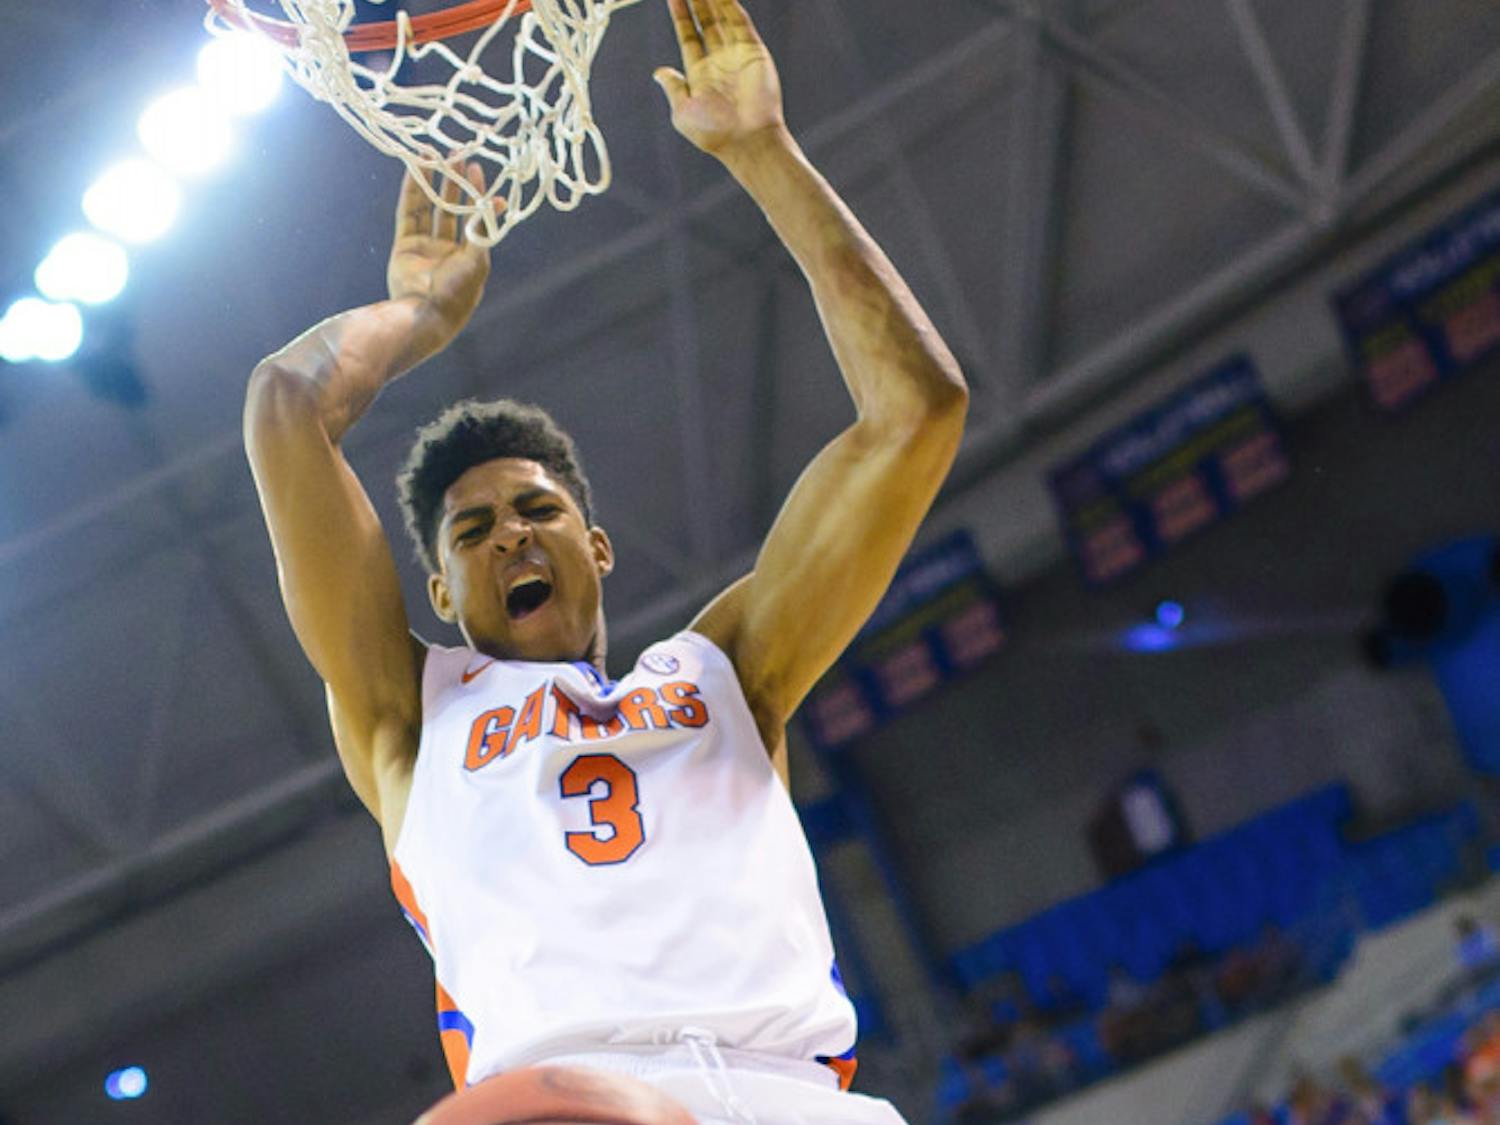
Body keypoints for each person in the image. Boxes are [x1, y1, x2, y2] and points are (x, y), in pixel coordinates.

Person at [241, 0, 968, 1121]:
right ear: (436, 592)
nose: (511, 535)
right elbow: (286, 406)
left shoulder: (727, 669)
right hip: (573, 1100)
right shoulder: (408, 714)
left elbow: (915, 412)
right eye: (472, 533)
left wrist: (764, 154)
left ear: (598, 545)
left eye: (534, 510)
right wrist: (415, 314)